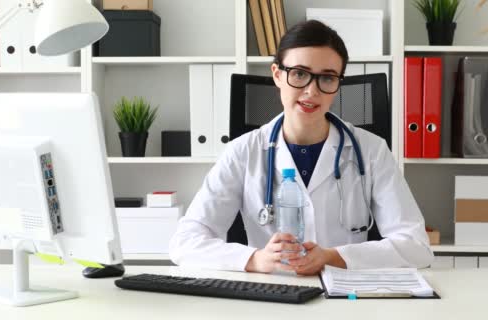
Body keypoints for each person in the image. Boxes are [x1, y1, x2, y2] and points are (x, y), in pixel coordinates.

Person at [169, 20, 434, 275]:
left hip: (343, 296)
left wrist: (334, 257)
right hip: (270, 293)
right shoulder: (243, 151)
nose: (311, 90)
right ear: (277, 75)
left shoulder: (372, 151)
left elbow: (416, 247)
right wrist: (255, 259)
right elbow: (185, 243)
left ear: (338, 84)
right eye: (299, 74)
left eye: (327, 78)